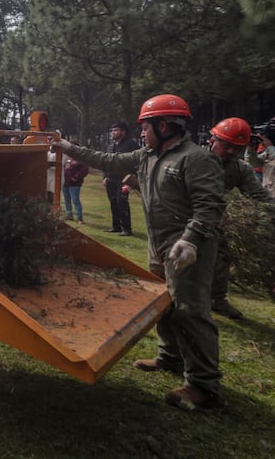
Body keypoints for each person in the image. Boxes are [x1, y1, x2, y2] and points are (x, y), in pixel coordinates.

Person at [54, 94, 225, 411]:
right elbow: (108, 160)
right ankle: (169, 357)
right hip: (159, 244)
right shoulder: (148, 154)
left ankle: (203, 386)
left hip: (188, 247)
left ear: (164, 125)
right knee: (164, 302)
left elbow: (210, 206)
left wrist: (189, 240)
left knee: (191, 311)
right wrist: (67, 148)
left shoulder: (195, 158)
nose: (142, 133)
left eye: (145, 127)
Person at [207, 117, 274, 319]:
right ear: (212, 140)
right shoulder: (193, 159)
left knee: (223, 255)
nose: (231, 152)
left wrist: (271, 211)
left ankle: (217, 299)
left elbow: (259, 195)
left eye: (237, 148)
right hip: (182, 217)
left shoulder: (239, 168)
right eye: (227, 146)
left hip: (214, 220)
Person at [103, 122, 139, 236]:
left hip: (124, 179)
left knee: (121, 202)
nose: (113, 132)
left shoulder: (131, 145)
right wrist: (105, 177)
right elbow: (106, 162)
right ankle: (116, 226)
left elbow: (136, 163)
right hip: (111, 179)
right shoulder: (111, 145)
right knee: (113, 202)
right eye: (112, 130)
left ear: (123, 132)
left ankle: (127, 229)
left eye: (116, 130)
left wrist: (130, 182)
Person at [62, 147, 88, 223]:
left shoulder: (80, 158)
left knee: (75, 200)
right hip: (65, 182)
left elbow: (84, 170)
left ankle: (79, 218)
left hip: (74, 184)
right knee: (67, 200)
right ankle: (69, 215)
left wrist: (76, 177)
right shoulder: (67, 157)